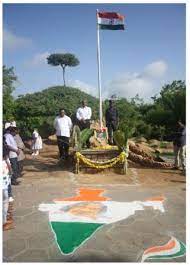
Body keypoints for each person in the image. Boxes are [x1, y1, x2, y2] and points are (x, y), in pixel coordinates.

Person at [2, 143, 14, 231]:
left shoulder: (5, 159)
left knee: (5, 199)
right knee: (4, 200)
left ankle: (4, 219)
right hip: (3, 183)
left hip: (5, 182)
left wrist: (10, 171)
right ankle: (3, 221)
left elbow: (9, 168)